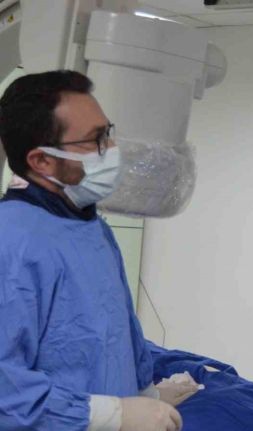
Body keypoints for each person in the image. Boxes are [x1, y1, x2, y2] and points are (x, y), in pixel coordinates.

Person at [0, 70, 197, 431]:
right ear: (41, 160)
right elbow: (5, 391)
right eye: (94, 140)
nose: (112, 149)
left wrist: (146, 395)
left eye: (108, 133)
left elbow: (119, 333)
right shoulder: (11, 241)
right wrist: (113, 415)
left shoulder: (91, 228)